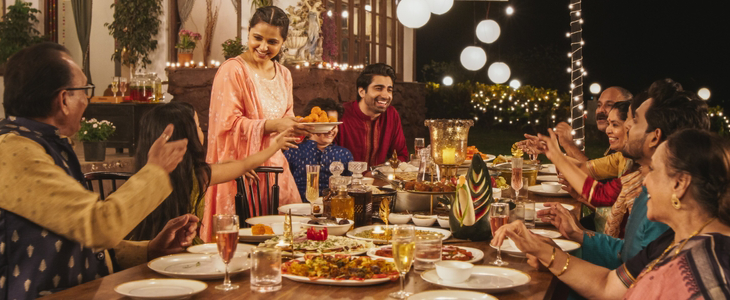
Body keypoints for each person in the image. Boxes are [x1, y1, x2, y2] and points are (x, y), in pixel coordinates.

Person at [0, 43, 196, 298]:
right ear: (64, 99)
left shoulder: (39, 143)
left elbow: (74, 233)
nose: (87, 99)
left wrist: (148, 250)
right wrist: (155, 171)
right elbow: (97, 225)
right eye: (85, 89)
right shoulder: (14, 152)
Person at [492, 128, 730, 299]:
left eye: (654, 171)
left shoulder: (710, 275)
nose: (644, 182)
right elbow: (608, 286)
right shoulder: (672, 240)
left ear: (680, 184)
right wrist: (539, 248)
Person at [535, 78, 710, 270]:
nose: (627, 126)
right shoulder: (646, 186)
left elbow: (626, 280)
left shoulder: (666, 207)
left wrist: (556, 258)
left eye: (634, 120)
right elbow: (627, 252)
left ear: (655, 137)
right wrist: (578, 234)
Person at [205, 6, 312, 241]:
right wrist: (274, 125)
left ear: (283, 42)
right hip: (242, 169)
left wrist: (300, 127)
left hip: (276, 171)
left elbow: (287, 117)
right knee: (243, 242)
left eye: (272, 41)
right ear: (249, 33)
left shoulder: (284, 74)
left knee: (288, 241)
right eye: (257, 38)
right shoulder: (233, 70)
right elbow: (227, 125)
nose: (263, 47)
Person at [129, 102, 298, 241]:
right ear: (186, 137)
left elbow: (239, 165)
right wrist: (276, 145)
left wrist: (226, 165)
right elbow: (245, 164)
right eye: (197, 125)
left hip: (146, 249)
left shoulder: (143, 179)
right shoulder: (197, 177)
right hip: (185, 251)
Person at [545, 100, 639, 236]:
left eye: (615, 124)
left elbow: (599, 195)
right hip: (611, 241)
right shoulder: (622, 157)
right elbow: (583, 167)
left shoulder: (642, 174)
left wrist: (557, 154)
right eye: (609, 124)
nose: (608, 130)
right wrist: (549, 151)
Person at [335, 63, 408, 167]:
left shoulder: (391, 114)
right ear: (362, 92)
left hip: (380, 181)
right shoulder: (341, 115)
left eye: (389, 90)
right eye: (378, 88)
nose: (385, 95)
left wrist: (382, 171)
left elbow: (401, 155)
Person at [285, 98, 354, 202]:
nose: (331, 130)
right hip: (299, 208)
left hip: (335, 208)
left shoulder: (344, 154)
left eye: (334, 125)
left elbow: (352, 187)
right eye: (327, 124)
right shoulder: (293, 151)